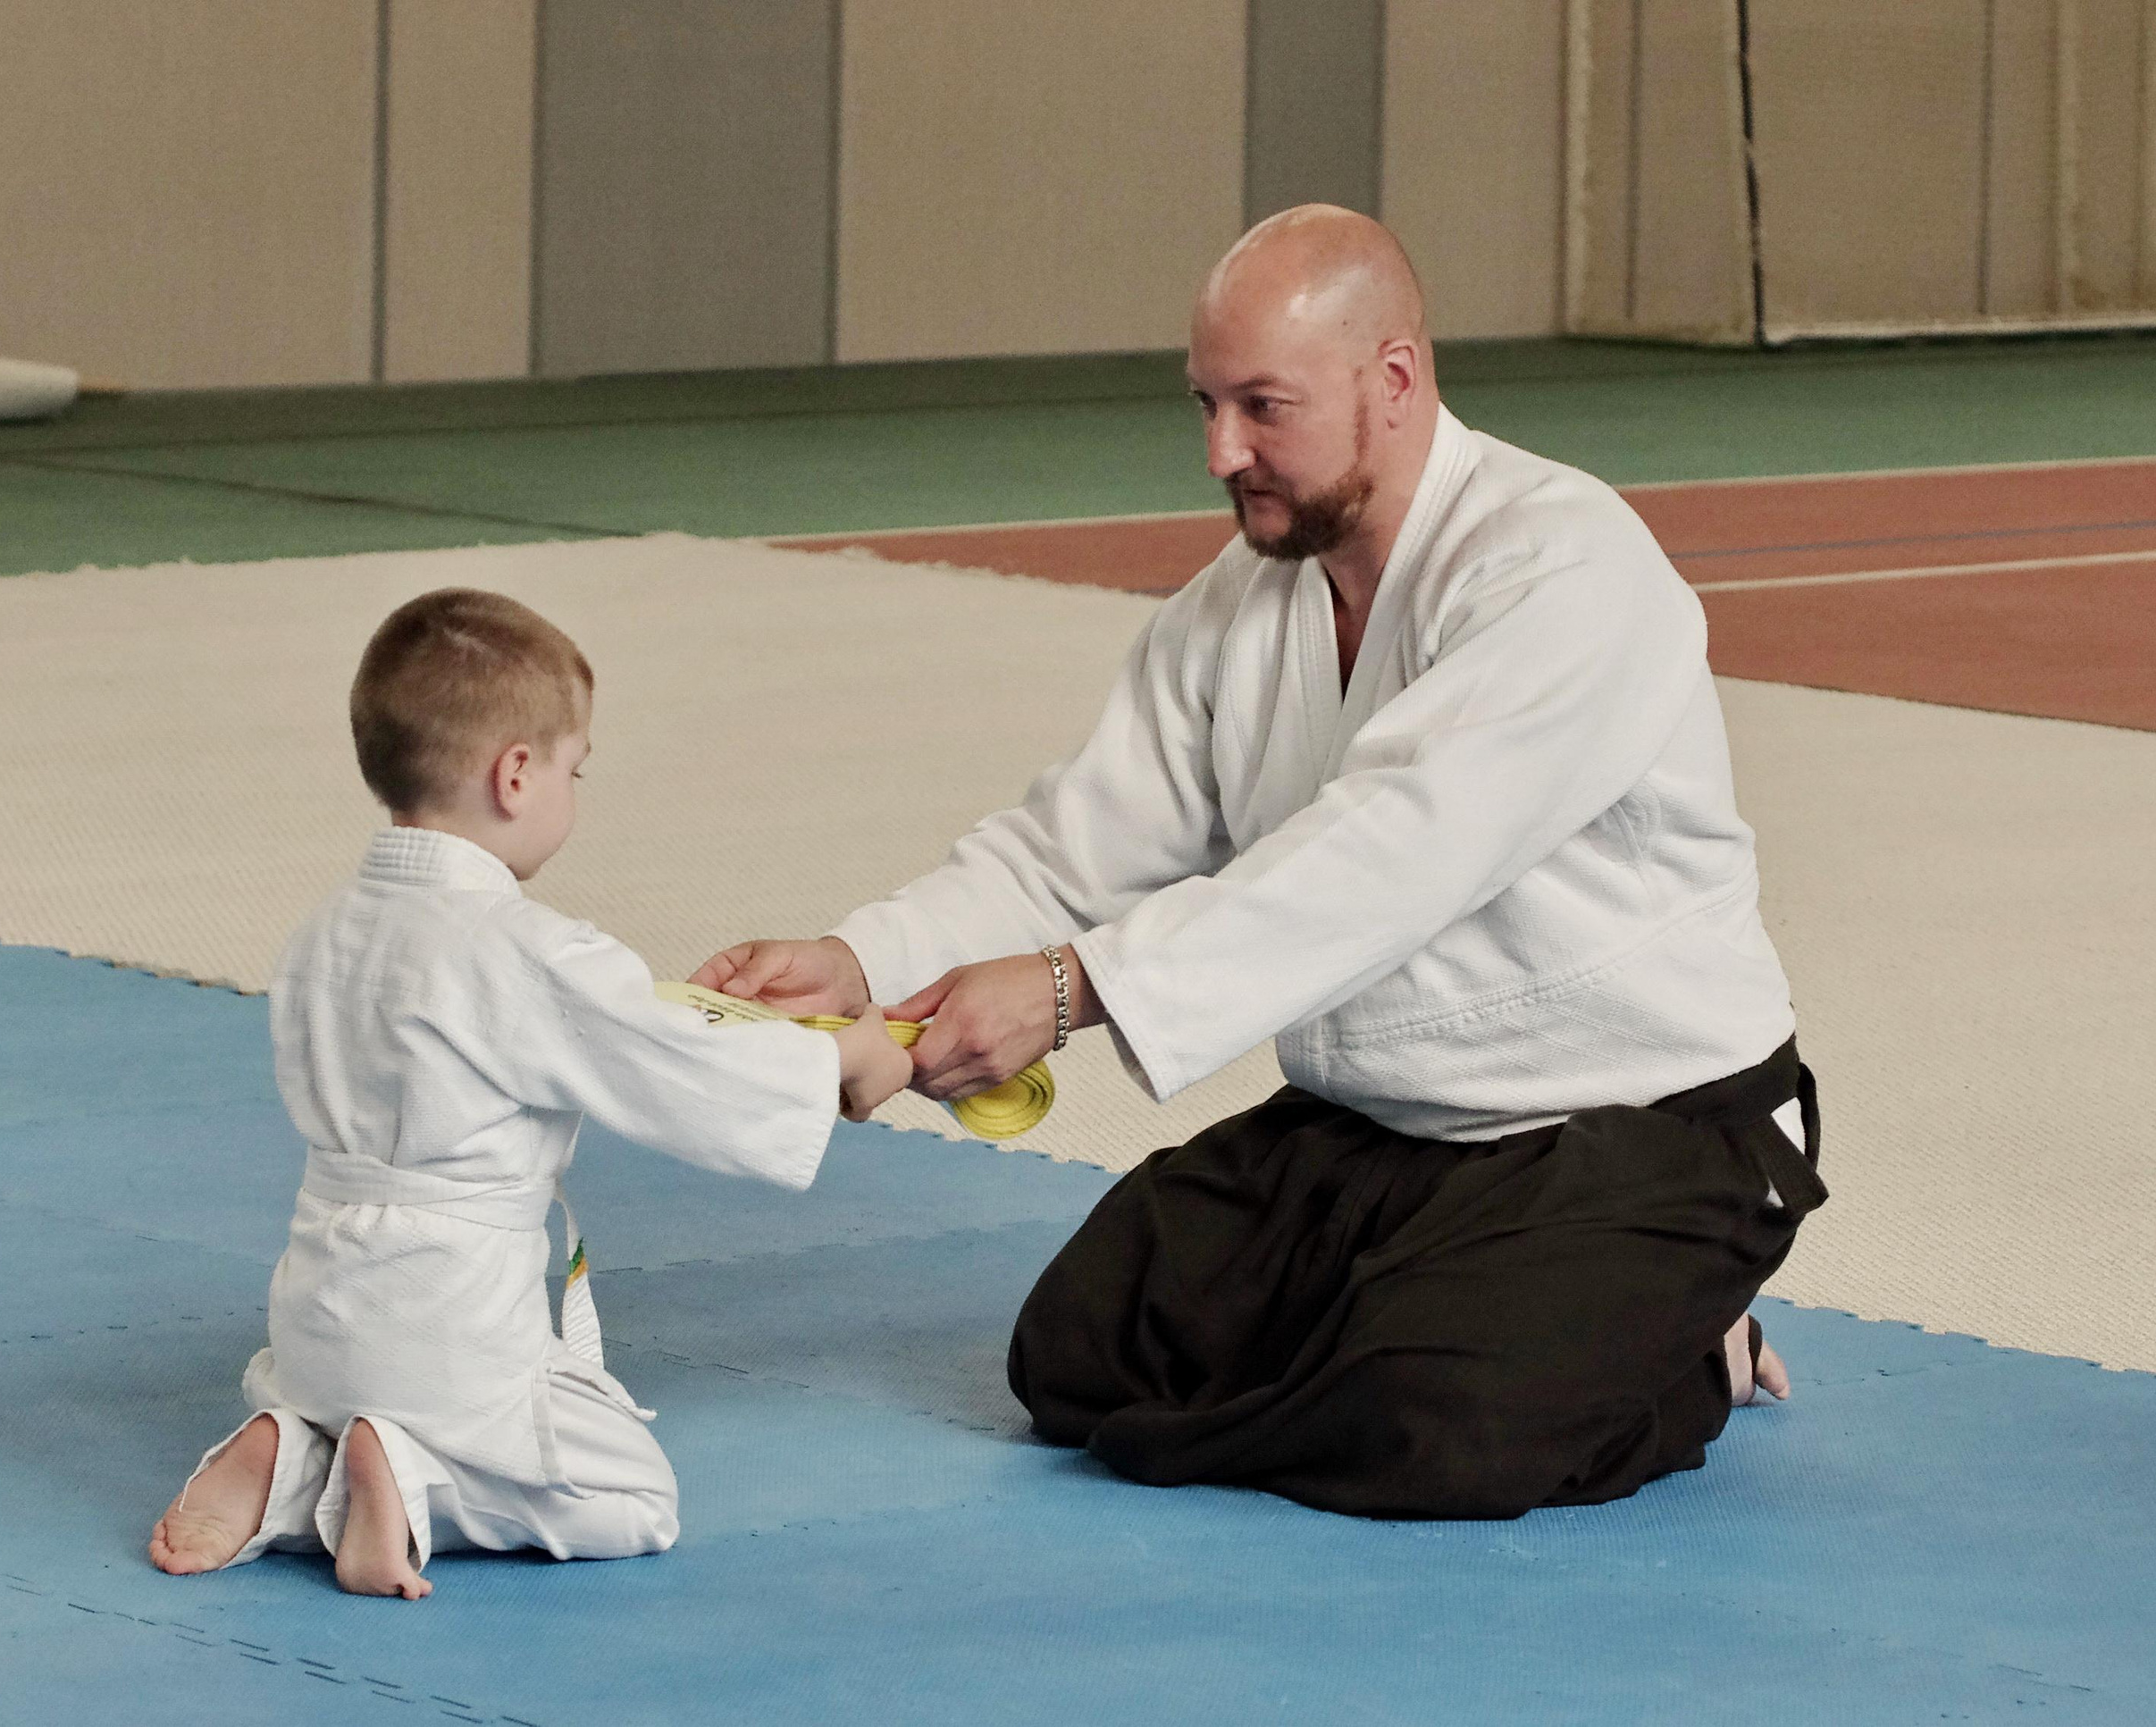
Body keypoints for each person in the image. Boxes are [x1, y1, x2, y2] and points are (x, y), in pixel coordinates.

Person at [692, 205, 1825, 1520]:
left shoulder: (1564, 570)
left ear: (1393, 380)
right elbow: (1076, 847)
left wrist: (1068, 992)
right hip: (1389, 1126)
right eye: (1206, 405)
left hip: (1645, 1127)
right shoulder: (1242, 605)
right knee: (1080, 1351)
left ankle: (1688, 1348)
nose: (1223, 451)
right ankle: (1506, 1315)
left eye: (1263, 407)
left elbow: (1383, 858)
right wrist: (858, 962)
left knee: (1432, 1428)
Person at [149, 588, 910, 1597]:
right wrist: (851, 1060)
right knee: (630, 1493)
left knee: (366, 1392)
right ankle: (412, 1478)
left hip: (315, 1319)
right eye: (573, 768)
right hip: (450, 1321)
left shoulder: (321, 933)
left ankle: (297, 1455)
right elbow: (682, 1067)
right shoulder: (528, 950)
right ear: (516, 774)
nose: (573, 790)